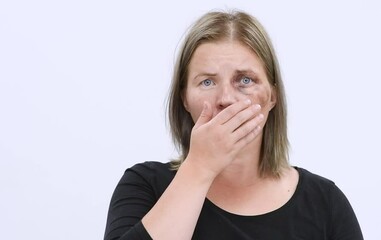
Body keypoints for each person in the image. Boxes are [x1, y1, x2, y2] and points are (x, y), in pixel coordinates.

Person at [104, 10, 364, 240]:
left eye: (245, 80)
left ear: (272, 97)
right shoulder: (144, 186)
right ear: (184, 98)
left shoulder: (325, 202)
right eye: (207, 82)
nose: (225, 99)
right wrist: (200, 167)